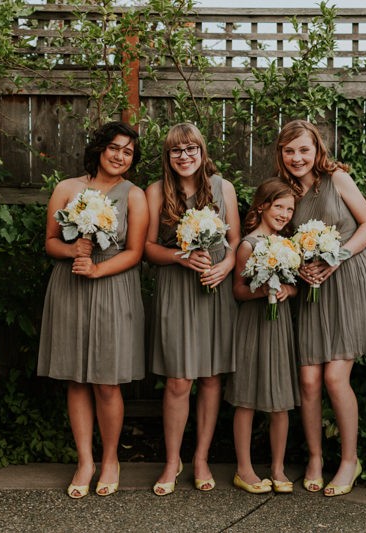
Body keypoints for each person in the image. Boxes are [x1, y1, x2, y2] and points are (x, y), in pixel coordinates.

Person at [274, 119, 366, 497]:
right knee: (308, 380)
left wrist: (336, 256)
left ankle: (349, 461)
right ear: (281, 154)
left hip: (347, 279)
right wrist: (298, 267)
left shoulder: (337, 179)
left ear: (316, 149)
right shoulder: (284, 193)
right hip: (311, 287)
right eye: (289, 151)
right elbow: (280, 243)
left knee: (335, 378)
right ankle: (315, 458)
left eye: (304, 149)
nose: (297, 157)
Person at [37, 121, 149, 499]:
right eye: (114, 148)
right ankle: (85, 461)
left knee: (106, 380)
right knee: (76, 378)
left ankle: (111, 458)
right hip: (70, 286)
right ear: (100, 149)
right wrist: (74, 251)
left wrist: (98, 267)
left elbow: (135, 252)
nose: (120, 156)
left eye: (128, 152)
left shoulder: (133, 195)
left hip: (113, 287)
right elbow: (51, 242)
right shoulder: (67, 189)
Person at [145, 122, 241, 495]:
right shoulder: (155, 192)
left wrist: (226, 266)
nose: (184, 157)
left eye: (191, 149)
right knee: (178, 380)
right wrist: (180, 258)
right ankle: (173, 460)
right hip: (176, 287)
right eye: (176, 151)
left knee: (212, 377)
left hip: (214, 288)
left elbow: (235, 242)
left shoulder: (223, 188)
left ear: (202, 152)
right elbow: (147, 250)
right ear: (167, 157)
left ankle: (201, 458)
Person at [225, 178, 301, 495]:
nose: (284, 213)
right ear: (263, 206)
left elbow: (295, 286)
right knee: (246, 399)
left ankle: (278, 467)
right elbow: (240, 292)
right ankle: (244, 469)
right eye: (279, 206)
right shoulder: (248, 245)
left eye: (290, 208)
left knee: (280, 401)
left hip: (278, 324)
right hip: (253, 325)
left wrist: (286, 288)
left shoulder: (289, 245)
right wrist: (263, 289)